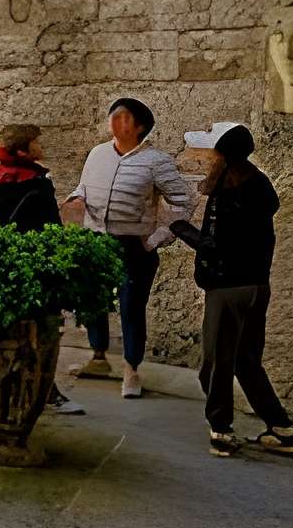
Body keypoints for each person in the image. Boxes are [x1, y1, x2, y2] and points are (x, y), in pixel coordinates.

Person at [170, 121, 293, 458]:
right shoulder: (259, 185)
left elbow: (216, 246)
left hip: (229, 288)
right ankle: (281, 429)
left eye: (214, 156)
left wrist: (179, 227)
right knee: (246, 360)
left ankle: (221, 430)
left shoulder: (232, 195)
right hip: (257, 286)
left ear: (225, 158)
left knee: (214, 363)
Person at [63, 96, 196, 398]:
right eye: (114, 115)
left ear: (139, 128)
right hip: (94, 240)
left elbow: (183, 201)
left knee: (131, 305)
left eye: (124, 118)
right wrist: (75, 199)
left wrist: (157, 237)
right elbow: (83, 186)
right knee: (91, 300)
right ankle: (98, 357)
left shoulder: (156, 161)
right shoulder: (97, 154)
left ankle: (131, 368)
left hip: (133, 245)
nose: (115, 121)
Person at [0, 124, 83, 416]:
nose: (41, 147)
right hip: (39, 267)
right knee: (44, 331)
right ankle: (45, 392)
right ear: (23, 151)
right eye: (35, 143)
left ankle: (6, 388)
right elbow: (50, 227)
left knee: (13, 330)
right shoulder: (37, 182)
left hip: (11, 264)